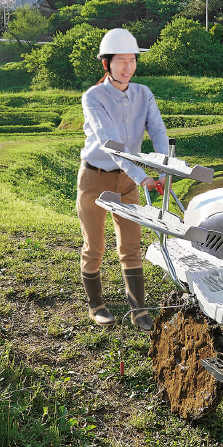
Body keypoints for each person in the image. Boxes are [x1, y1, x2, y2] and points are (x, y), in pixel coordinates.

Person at [77, 27, 168, 331]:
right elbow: (109, 141)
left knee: (131, 245)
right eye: (121, 61)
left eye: (133, 60)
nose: (128, 67)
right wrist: (143, 176)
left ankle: (139, 310)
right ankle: (96, 305)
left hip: (128, 181)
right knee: (95, 246)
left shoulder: (144, 93)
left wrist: (164, 168)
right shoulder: (93, 97)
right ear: (107, 63)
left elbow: (157, 131)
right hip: (95, 178)